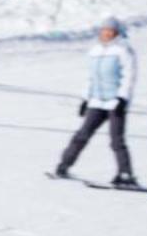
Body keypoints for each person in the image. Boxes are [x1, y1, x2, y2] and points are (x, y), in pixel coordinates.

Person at [52, 16, 138, 187]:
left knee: (116, 140)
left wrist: (122, 98)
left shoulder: (123, 50)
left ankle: (126, 175)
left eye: (110, 31)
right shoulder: (95, 51)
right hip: (97, 102)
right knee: (81, 136)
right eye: (104, 30)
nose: (106, 34)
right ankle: (64, 166)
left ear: (117, 33)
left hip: (115, 103)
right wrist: (85, 99)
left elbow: (129, 76)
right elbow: (90, 78)